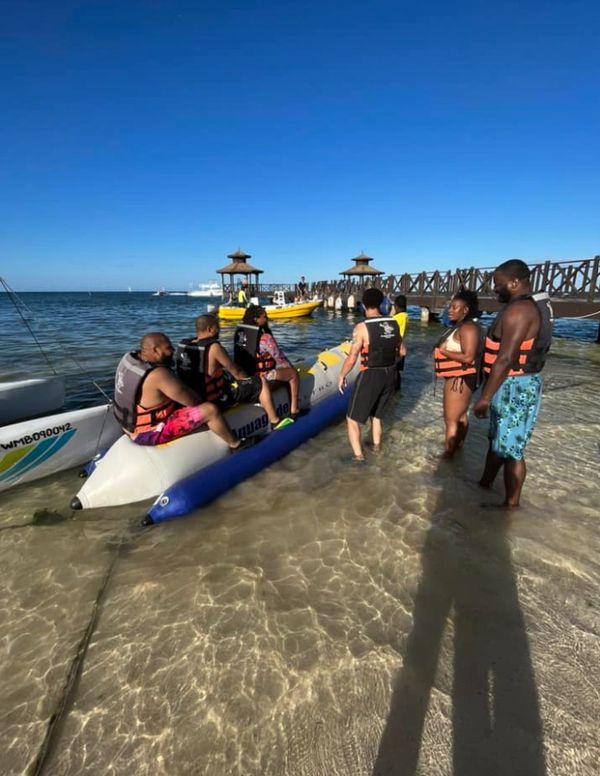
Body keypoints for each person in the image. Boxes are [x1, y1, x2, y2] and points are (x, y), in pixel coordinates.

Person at [474, 259, 553, 507]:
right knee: (498, 440)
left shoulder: (520, 311)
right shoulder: (523, 307)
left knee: (512, 451)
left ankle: (510, 505)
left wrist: (485, 398)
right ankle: (484, 485)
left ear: (515, 282)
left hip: (514, 386)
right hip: (515, 383)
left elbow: (506, 358)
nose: (494, 290)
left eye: (498, 285)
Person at [113, 332, 241, 448]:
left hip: (127, 427)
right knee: (210, 410)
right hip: (147, 434)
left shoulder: (130, 359)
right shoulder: (158, 374)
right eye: (168, 348)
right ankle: (235, 444)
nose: (173, 350)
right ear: (155, 351)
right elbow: (194, 401)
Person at [175, 314, 291, 431]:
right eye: (217, 327)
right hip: (217, 399)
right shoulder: (214, 348)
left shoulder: (185, 345)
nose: (219, 330)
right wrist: (251, 382)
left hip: (198, 399)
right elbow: (236, 371)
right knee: (259, 382)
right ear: (210, 329)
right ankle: (275, 421)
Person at [338, 288, 404, 461]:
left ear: (364, 305)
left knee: (352, 419)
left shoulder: (361, 327)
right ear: (382, 303)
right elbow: (402, 351)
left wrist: (342, 375)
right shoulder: (393, 323)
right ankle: (376, 450)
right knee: (376, 417)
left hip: (370, 374)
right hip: (390, 373)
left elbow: (352, 357)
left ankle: (358, 458)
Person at [433, 289, 483, 458]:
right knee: (460, 416)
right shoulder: (463, 326)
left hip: (458, 380)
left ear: (466, 310)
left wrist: (444, 352)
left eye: (455, 307)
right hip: (461, 379)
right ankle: (458, 449)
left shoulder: (468, 328)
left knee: (451, 420)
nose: (450, 310)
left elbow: (468, 357)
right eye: (450, 307)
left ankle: (446, 458)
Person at [234, 305, 301, 418]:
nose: (267, 319)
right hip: (263, 378)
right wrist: (290, 368)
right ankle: (294, 409)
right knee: (293, 373)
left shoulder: (239, 335)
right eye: (264, 317)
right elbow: (280, 358)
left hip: (248, 380)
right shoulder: (265, 338)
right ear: (256, 319)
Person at [392, 294, 408, 390]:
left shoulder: (396, 318)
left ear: (396, 306)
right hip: (402, 345)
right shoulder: (406, 316)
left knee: (393, 369)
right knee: (397, 370)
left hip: (395, 346)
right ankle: (398, 389)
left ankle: (393, 389)